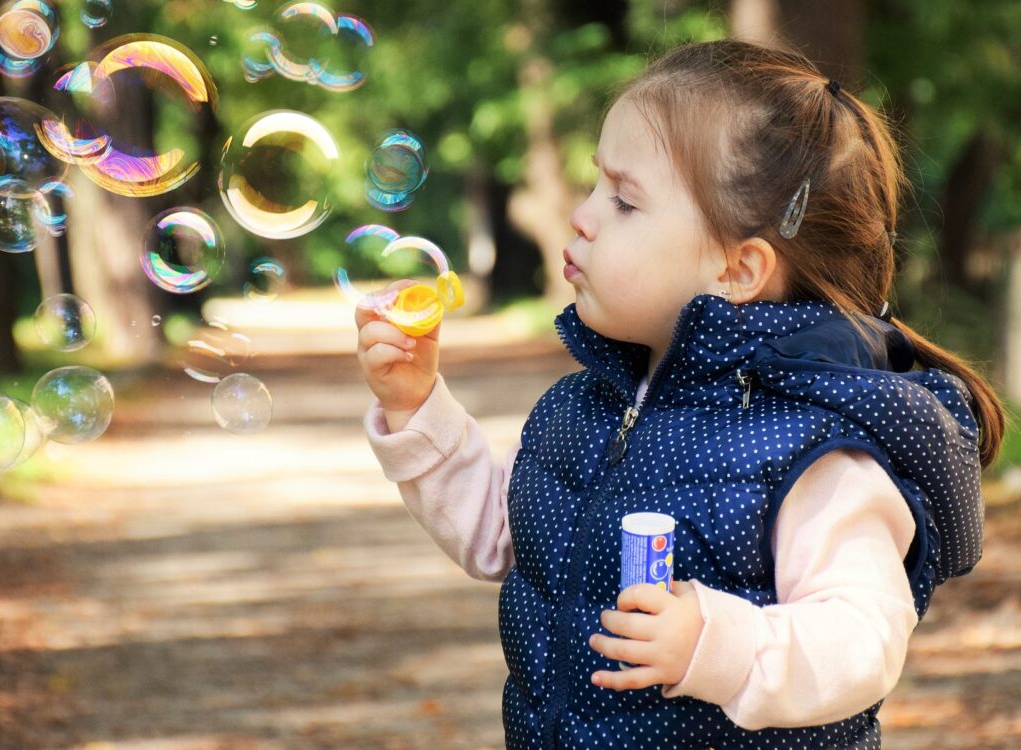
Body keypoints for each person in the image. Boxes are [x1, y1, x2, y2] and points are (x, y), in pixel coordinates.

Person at [355, 38, 1003, 749]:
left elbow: (862, 638)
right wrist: (417, 407)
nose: (583, 215)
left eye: (626, 201)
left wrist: (716, 644)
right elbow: (503, 537)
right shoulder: (585, 408)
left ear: (738, 268)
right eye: (597, 184)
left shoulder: (808, 449)